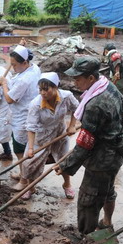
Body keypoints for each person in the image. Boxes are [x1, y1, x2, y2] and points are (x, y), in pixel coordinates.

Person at [56, 56, 123, 235]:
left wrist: (65, 166)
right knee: (107, 191)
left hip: (101, 159)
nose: (75, 82)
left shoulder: (94, 105)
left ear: (91, 78)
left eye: (78, 78)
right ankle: (106, 222)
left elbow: (84, 145)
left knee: (88, 198)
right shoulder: (108, 85)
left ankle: (85, 236)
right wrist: (106, 125)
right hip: (117, 150)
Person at [21, 72, 78, 200]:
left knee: (63, 159)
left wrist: (72, 125)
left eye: (46, 89)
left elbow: (77, 109)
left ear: (56, 87)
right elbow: (31, 127)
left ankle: (67, 184)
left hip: (60, 132)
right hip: (42, 134)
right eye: (40, 89)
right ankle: (30, 187)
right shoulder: (36, 104)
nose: (42, 93)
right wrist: (30, 148)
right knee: (29, 162)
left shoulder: (66, 96)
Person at [0, 45, 40, 190]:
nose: (13, 67)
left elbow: (9, 99)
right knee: (20, 147)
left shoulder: (25, 79)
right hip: (26, 114)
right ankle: (23, 173)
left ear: (24, 63)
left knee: (20, 149)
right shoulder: (34, 67)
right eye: (12, 64)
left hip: (23, 117)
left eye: (15, 65)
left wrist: (4, 84)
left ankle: (24, 180)